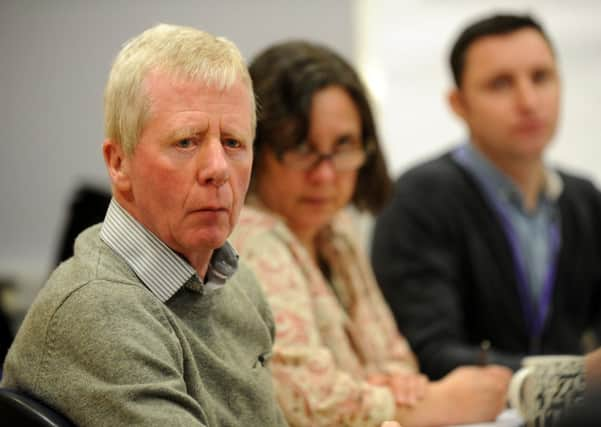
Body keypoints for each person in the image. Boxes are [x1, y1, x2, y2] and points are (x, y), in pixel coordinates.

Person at [1, 24, 287, 426]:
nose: (218, 169)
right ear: (119, 164)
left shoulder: (238, 286)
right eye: (186, 141)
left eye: (233, 143)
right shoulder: (97, 309)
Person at [230, 40, 511, 427]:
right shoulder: (249, 237)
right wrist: (439, 403)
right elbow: (308, 402)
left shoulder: (337, 230)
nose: (325, 174)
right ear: (257, 148)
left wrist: (393, 388)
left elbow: (397, 361)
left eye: (343, 145)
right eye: (301, 148)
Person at [371, 13, 601, 380]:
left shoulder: (583, 199)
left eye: (541, 78)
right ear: (459, 104)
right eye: (500, 84)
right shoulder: (417, 198)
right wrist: (569, 375)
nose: (528, 101)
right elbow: (429, 351)